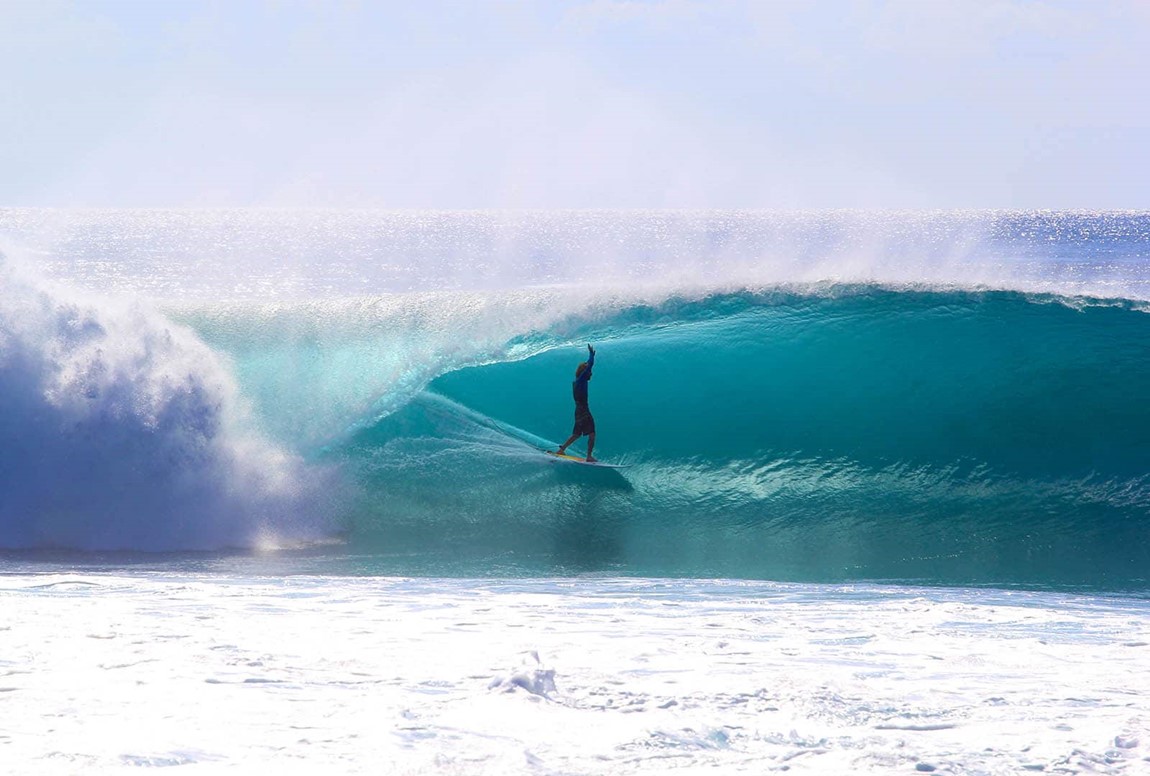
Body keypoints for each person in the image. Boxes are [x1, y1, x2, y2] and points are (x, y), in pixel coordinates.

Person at [557, 344, 597, 462]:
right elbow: (589, 366)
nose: (591, 373)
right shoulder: (581, 380)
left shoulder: (576, 382)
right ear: (584, 372)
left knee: (577, 434)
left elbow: (588, 367)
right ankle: (589, 456)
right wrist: (591, 355)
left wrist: (591, 356)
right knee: (592, 433)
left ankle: (561, 449)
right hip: (583, 410)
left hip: (578, 410)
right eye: (588, 372)